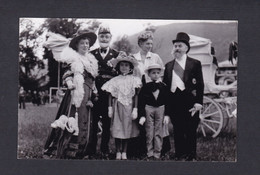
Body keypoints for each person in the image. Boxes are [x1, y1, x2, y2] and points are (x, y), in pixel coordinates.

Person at [43, 26, 98, 159]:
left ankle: (82, 149)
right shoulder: (73, 58)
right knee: (72, 117)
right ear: (77, 45)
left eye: (87, 43)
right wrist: (69, 83)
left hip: (88, 95)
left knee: (85, 120)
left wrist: (94, 93)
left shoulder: (91, 61)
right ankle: (65, 148)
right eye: (82, 43)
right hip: (75, 93)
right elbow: (67, 74)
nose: (85, 45)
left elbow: (92, 79)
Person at [163, 32, 204, 161]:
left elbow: (200, 85)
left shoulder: (195, 63)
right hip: (174, 101)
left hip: (190, 101)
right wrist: (167, 110)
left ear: (186, 48)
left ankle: (191, 155)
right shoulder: (168, 65)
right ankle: (179, 153)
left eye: (180, 45)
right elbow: (166, 88)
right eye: (175, 46)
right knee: (178, 129)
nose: (177, 48)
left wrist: (198, 102)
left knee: (191, 129)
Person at [131, 31, 171, 158]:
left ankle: (160, 150)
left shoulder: (155, 57)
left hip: (153, 94)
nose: (149, 46)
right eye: (147, 43)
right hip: (138, 93)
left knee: (157, 123)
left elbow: (161, 74)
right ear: (140, 43)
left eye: (151, 44)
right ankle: (141, 149)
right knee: (141, 120)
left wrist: (157, 89)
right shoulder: (133, 58)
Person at [101, 54, 141, 160]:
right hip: (117, 107)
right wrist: (109, 108)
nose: (124, 67)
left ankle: (125, 151)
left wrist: (135, 109)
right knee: (117, 128)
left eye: (126, 65)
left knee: (127, 128)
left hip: (129, 107)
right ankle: (118, 150)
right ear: (118, 67)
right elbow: (110, 94)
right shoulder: (114, 80)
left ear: (130, 67)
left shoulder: (134, 80)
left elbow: (136, 95)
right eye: (122, 65)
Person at [89, 24, 119, 158]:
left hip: (109, 96)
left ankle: (104, 149)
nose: (104, 38)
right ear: (98, 38)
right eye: (102, 36)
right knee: (93, 123)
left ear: (111, 38)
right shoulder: (91, 54)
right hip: (94, 94)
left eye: (107, 36)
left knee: (107, 123)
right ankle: (91, 149)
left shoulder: (117, 55)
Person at [138, 64, 170, 160]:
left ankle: (157, 152)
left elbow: (167, 101)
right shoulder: (145, 87)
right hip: (149, 108)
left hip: (160, 108)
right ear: (149, 74)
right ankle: (149, 152)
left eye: (157, 73)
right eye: (153, 73)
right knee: (149, 131)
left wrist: (167, 115)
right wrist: (142, 115)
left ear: (160, 74)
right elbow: (141, 102)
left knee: (159, 131)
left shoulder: (163, 86)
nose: (156, 75)